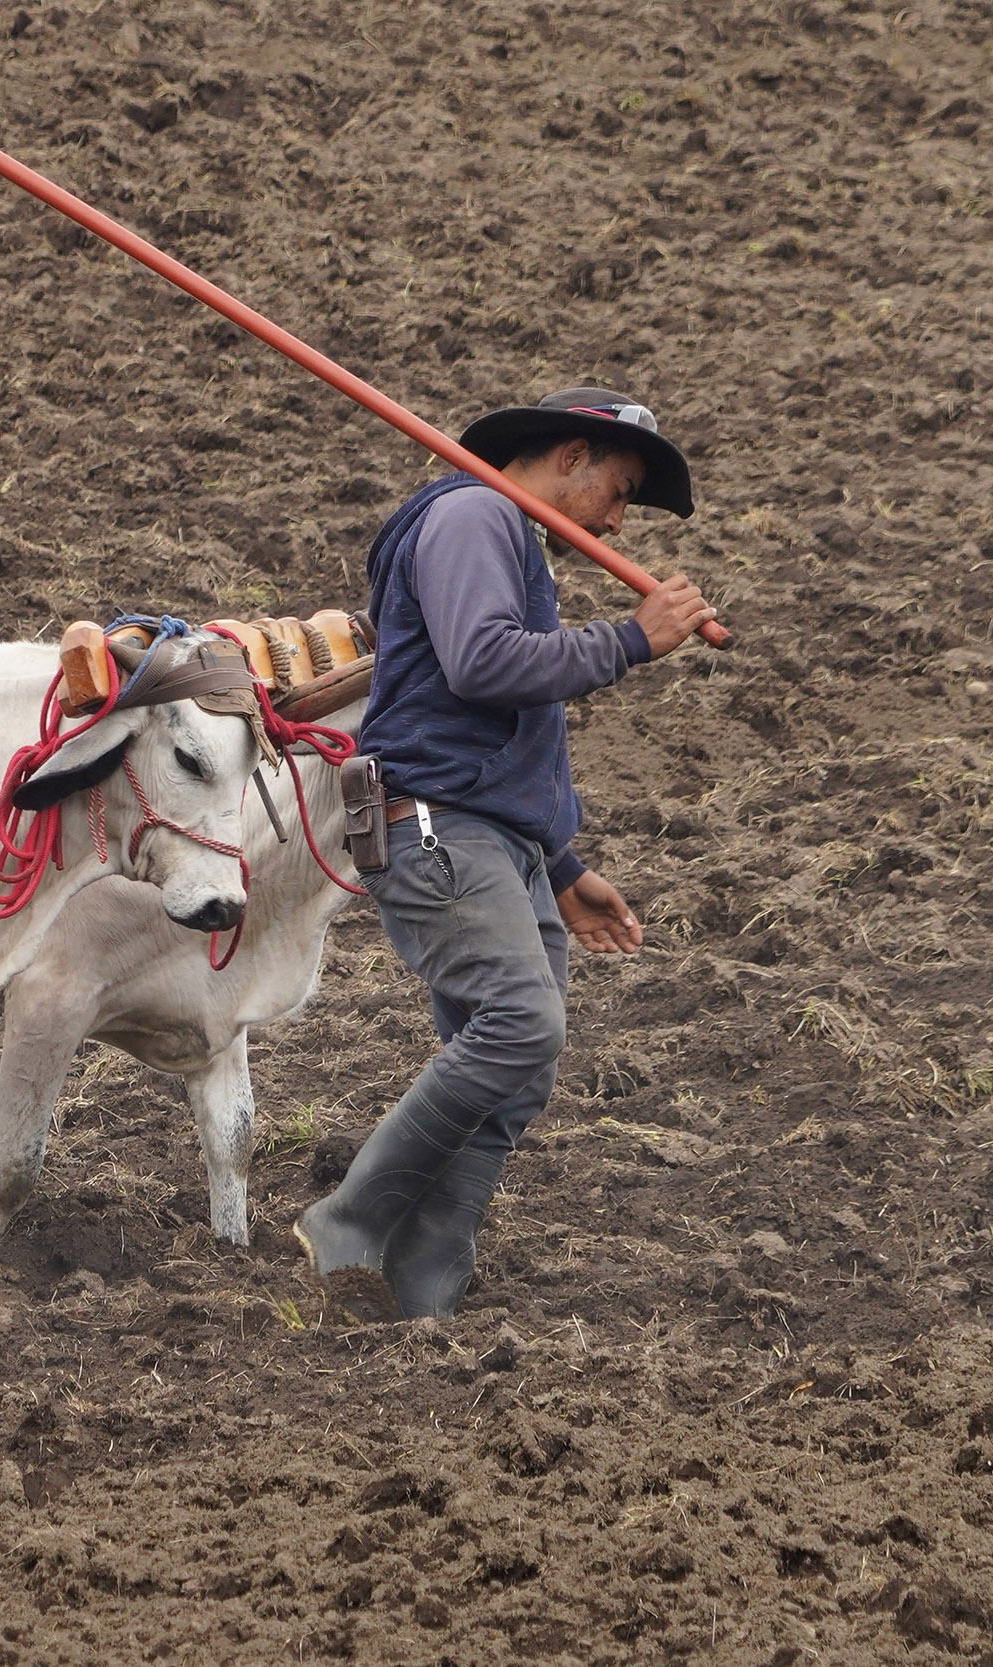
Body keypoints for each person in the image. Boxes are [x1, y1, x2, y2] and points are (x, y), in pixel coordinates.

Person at [297, 388, 716, 1319]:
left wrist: (562, 869)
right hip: (440, 826)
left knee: (516, 1072)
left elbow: (497, 719)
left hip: (498, 840)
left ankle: (424, 1290)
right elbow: (482, 662)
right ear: (570, 454)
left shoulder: (504, 536)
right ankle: (353, 1218)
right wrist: (630, 640)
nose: (617, 519)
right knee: (521, 1025)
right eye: (619, 489)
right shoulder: (474, 513)